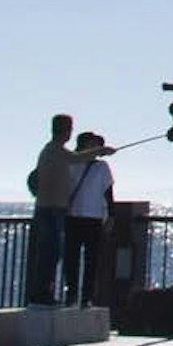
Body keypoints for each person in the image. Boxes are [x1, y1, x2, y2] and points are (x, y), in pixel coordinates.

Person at [21, 113, 75, 306]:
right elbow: (77, 158)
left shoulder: (51, 151)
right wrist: (100, 150)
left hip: (49, 208)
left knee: (49, 252)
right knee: (50, 253)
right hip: (52, 209)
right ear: (66, 130)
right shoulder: (55, 150)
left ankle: (42, 292)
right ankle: (42, 293)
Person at [61, 131, 119, 308]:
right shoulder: (71, 163)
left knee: (91, 260)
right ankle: (71, 294)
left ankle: (86, 296)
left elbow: (108, 194)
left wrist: (111, 216)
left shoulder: (102, 167)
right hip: (73, 216)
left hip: (93, 218)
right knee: (71, 258)